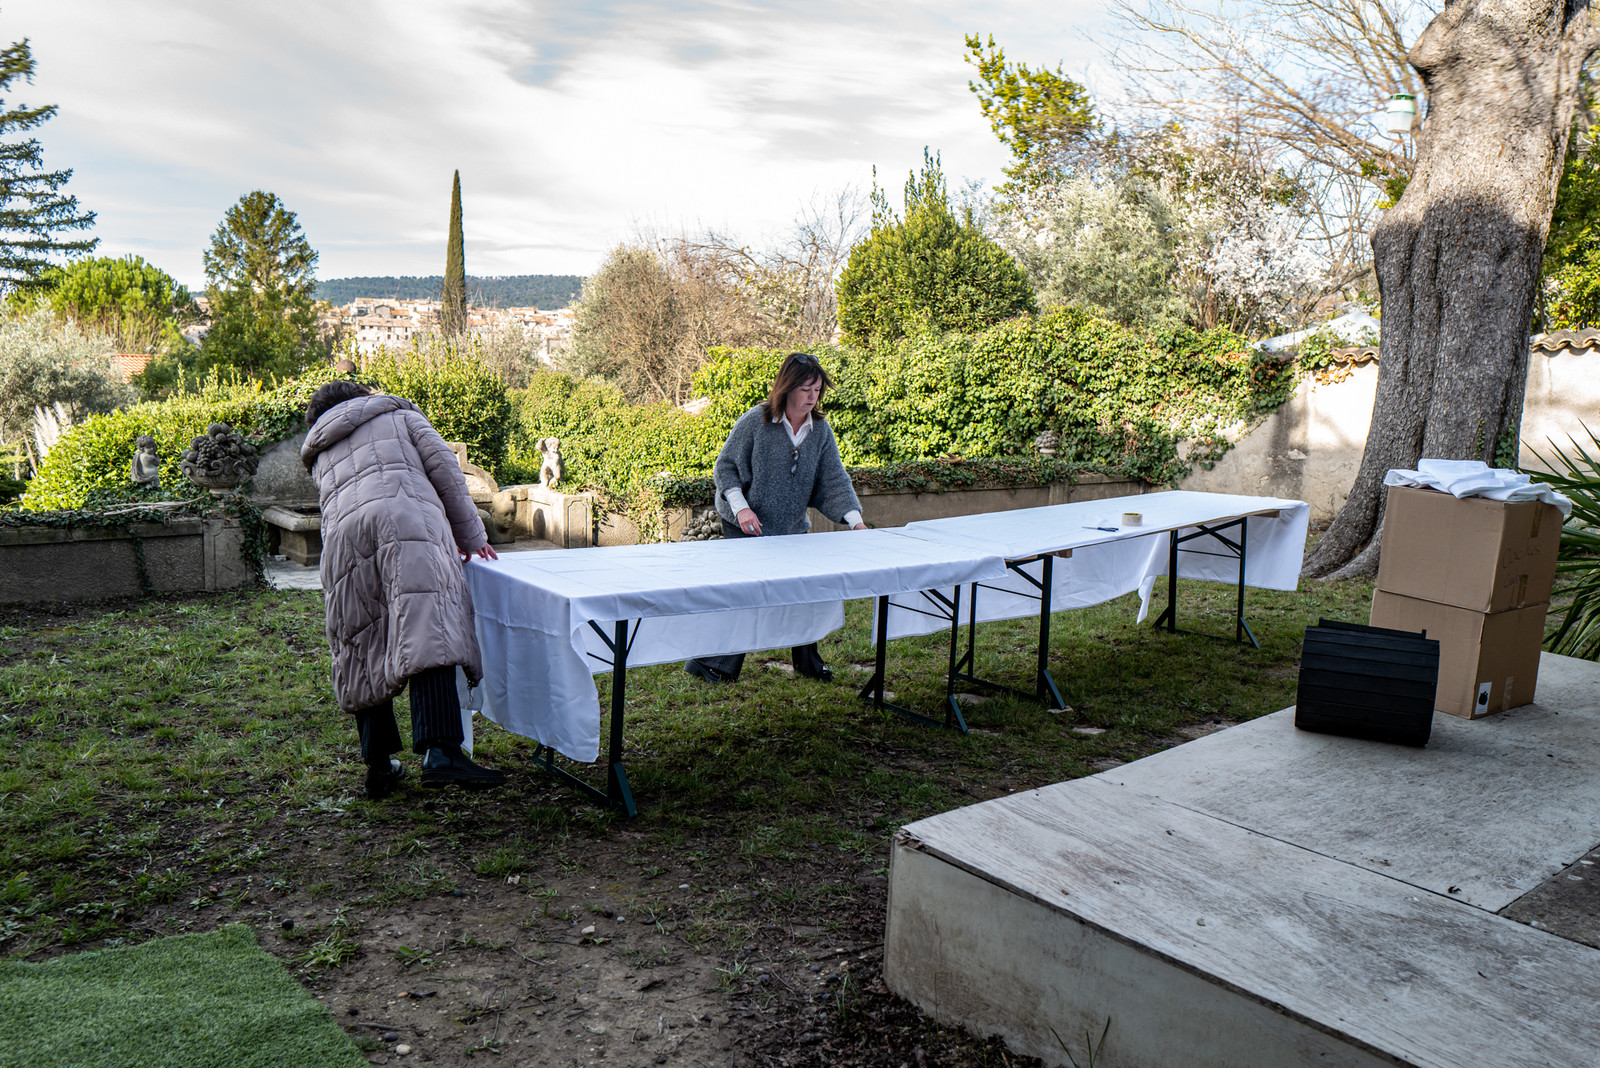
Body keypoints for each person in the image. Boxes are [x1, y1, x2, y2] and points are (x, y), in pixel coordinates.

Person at [301, 381, 504, 798]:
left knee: (361, 641)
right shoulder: (400, 416)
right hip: (406, 521)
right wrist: (471, 536)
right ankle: (441, 752)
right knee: (427, 625)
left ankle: (378, 765)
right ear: (362, 398)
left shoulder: (320, 451)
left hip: (342, 544)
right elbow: (447, 473)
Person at [684, 352, 868, 684]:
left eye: (817, 390)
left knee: (806, 592)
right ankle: (711, 663)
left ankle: (808, 664)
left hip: (791, 529)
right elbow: (725, 468)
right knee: (747, 595)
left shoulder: (820, 431)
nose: (812, 397)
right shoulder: (756, 421)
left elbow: (834, 479)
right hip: (744, 524)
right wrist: (742, 509)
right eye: (805, 389)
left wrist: (855, 521)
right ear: (787, 388)